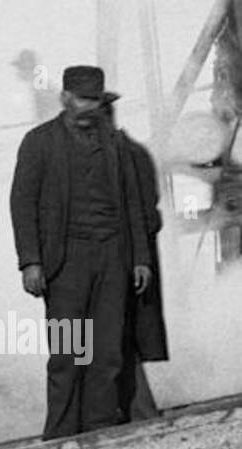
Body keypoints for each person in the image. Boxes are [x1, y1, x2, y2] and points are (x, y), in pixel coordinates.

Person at [10, 65, 155, 439]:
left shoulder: (117, 145)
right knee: (69, 354)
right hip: (66, 262)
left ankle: (100, 432)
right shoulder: (39, 142)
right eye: (82, 100)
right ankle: (59, 436)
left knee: (106, 353)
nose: (89, 108)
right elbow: (22, 204)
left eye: (95, 100)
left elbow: (133, 203)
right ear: (65, 99)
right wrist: (31, 262)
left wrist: (139, 258)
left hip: (113, 258)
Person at [101, 95, 169, 421]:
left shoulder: (126, 155)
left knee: (119, 340)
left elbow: (146, 217)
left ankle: (139, 413)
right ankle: (133, 411)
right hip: (118, 266)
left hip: (125, 268)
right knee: (115, 341)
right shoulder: (127, 153)